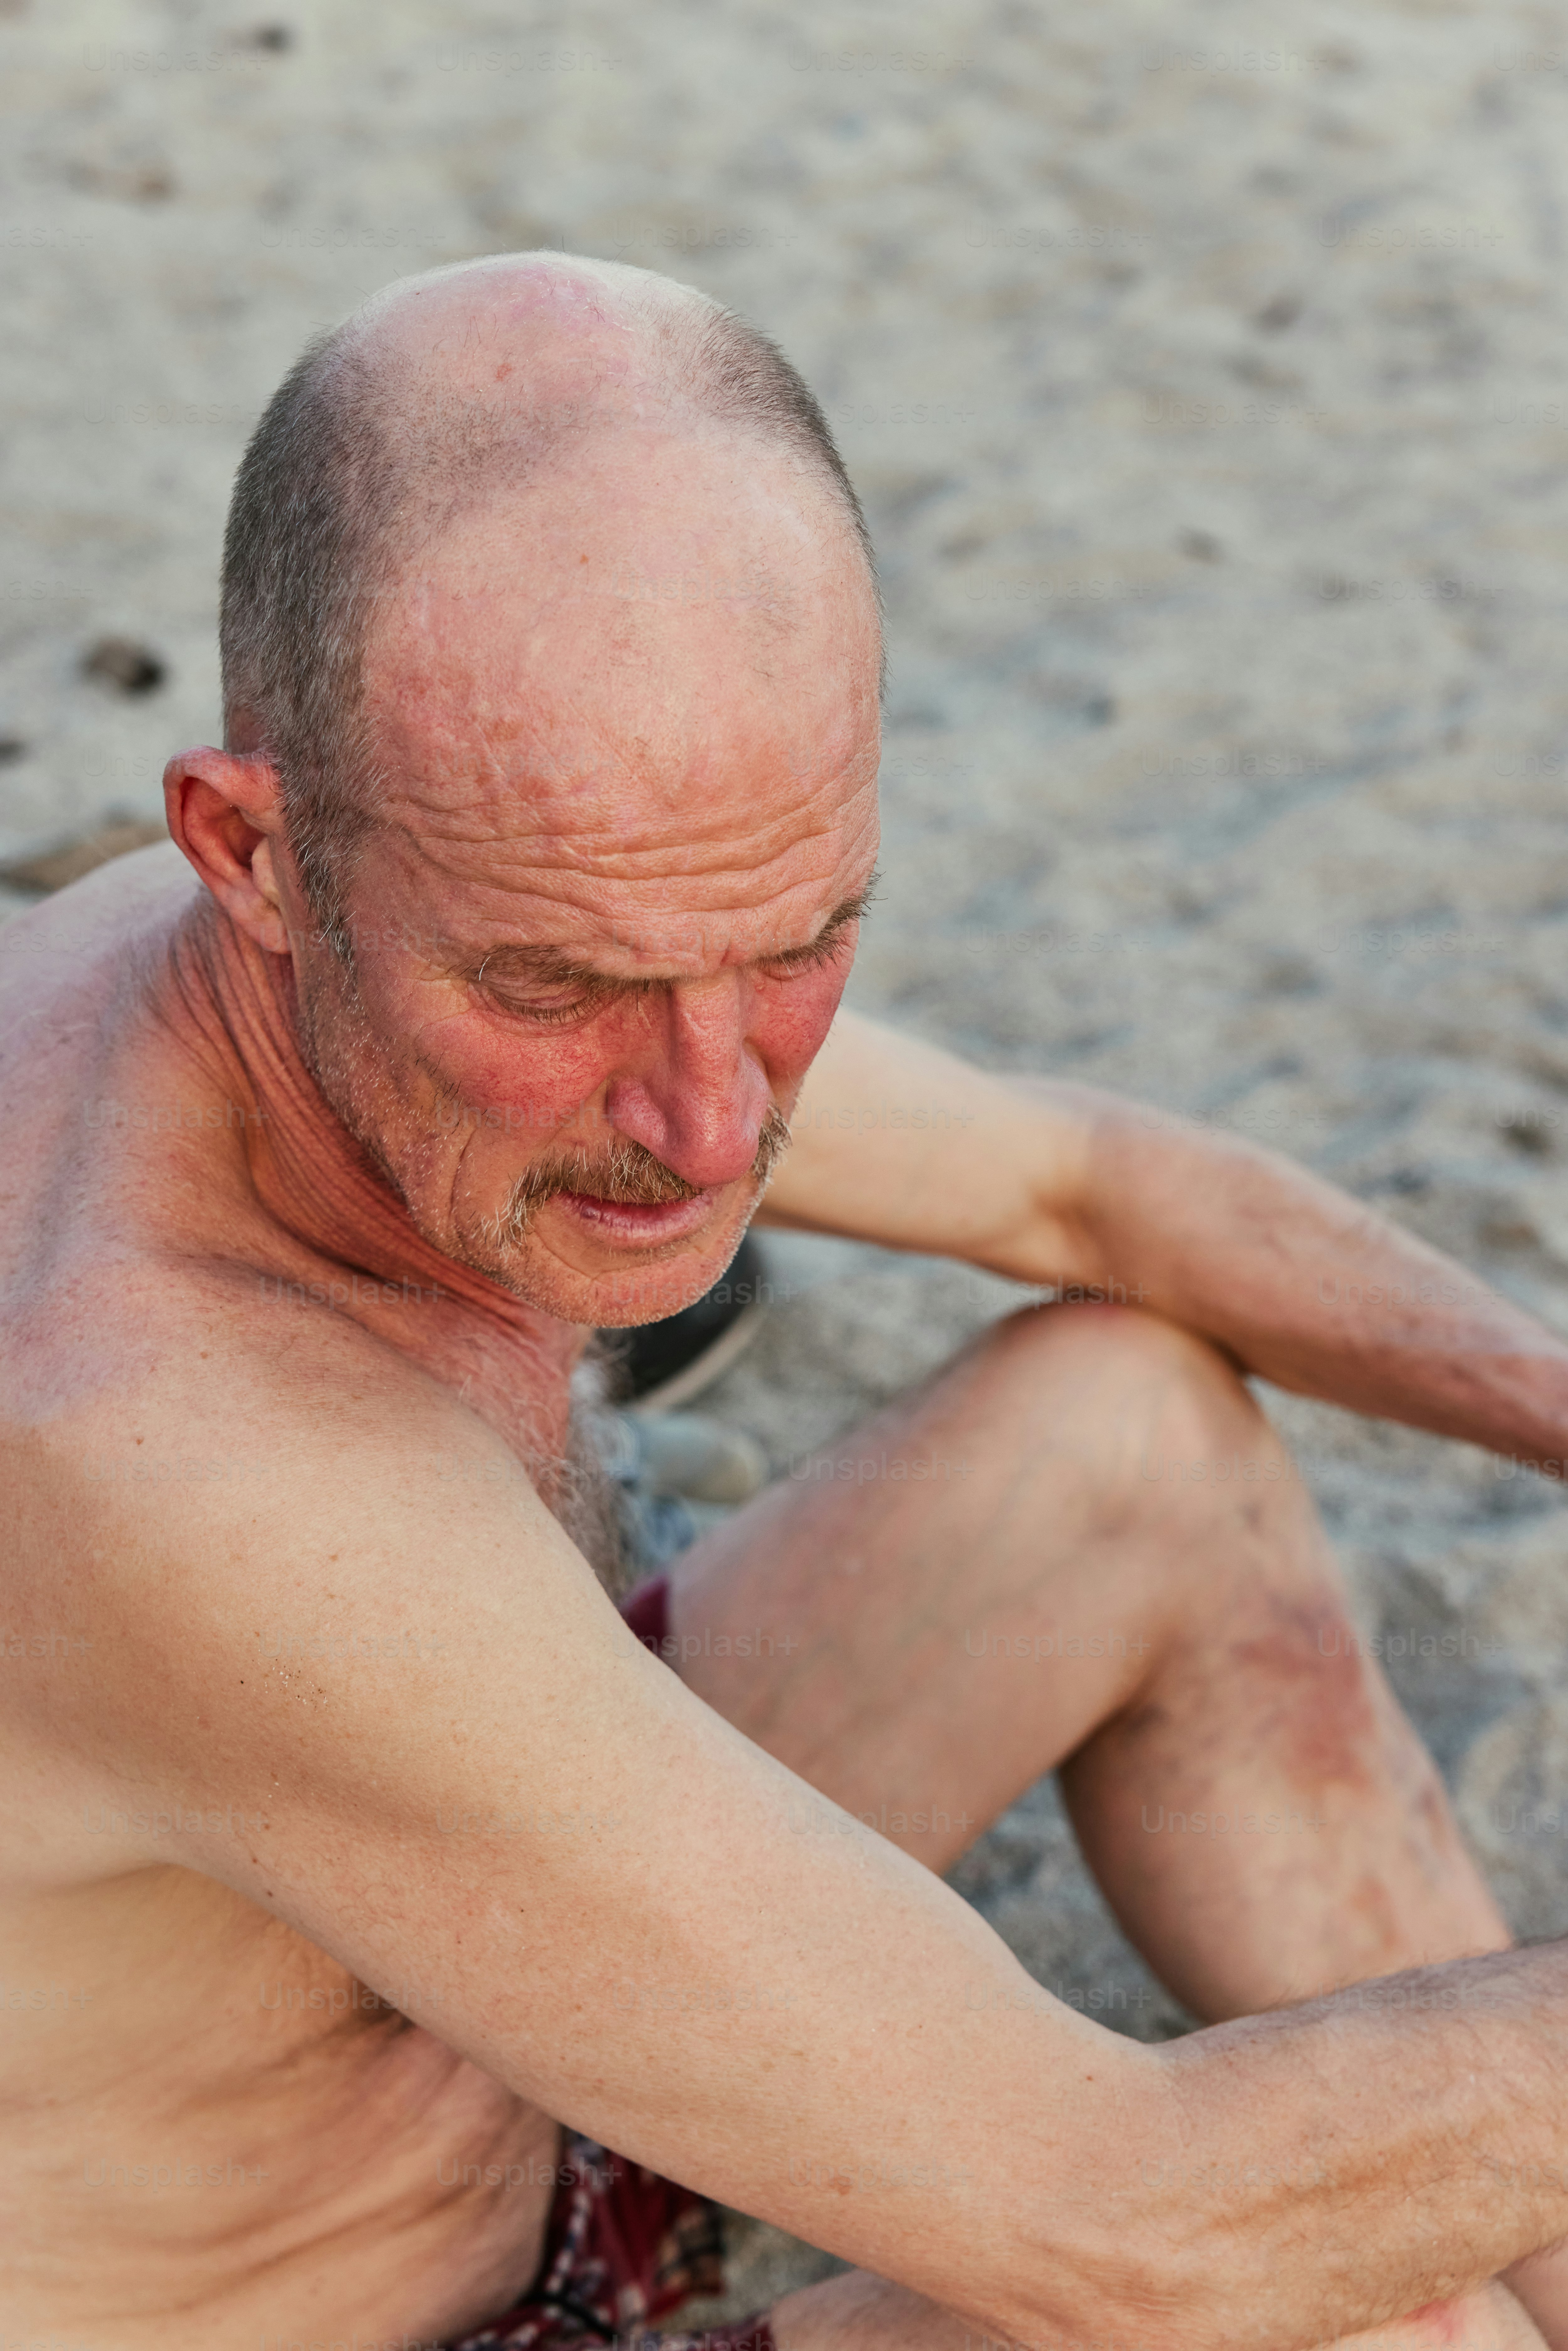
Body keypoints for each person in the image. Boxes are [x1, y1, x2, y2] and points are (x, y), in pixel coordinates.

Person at [5, 250, 1568, 2351]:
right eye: (559, 988)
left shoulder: (440, 957)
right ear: (260, 860)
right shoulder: (178, 1453)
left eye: (795, 945)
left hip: (502, 2064)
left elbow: (1082, 1177)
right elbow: (1141, 2220)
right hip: (348, 2304)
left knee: (1133, 1437)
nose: (711, 1123)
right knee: (1352, 2325)